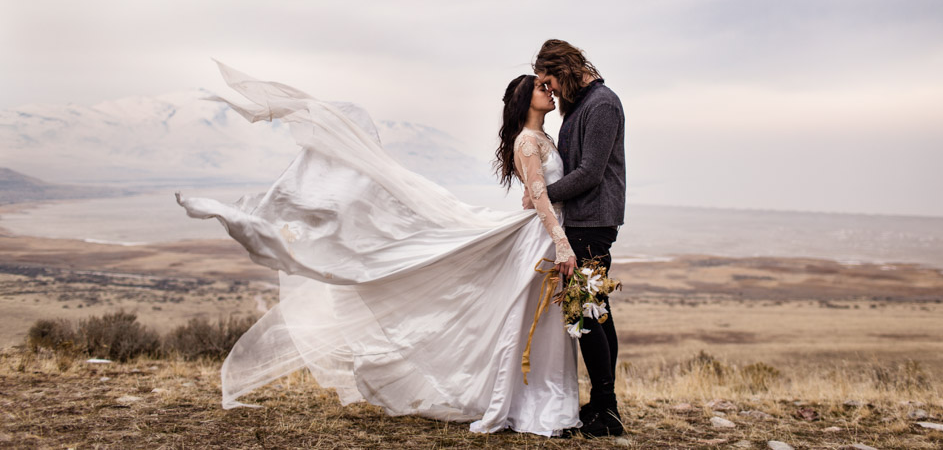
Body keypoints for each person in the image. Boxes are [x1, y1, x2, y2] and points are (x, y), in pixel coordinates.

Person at [176, 62, 581, 437]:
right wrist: (561, 242)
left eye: (548, 86)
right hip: (543, 237)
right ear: (524, 100)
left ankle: (543, 401)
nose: (548, 91)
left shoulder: (543, 137)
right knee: (531, 319)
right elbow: (540, 197)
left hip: (542, 231)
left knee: (539, 318)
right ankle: (532, 403)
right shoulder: (528, 142)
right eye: (540, 87)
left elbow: (535, 197)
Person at [524, 39, 626, 437]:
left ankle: (608, 409)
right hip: (584, 219)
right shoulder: (582, 104)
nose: (550, 90)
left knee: (584, 312)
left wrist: (541, 196)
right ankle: (603, 405)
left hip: (591, 221)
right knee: (597, 310)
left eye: (550, 81)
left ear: (564, 68)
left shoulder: (601, 104)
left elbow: (589, 173)